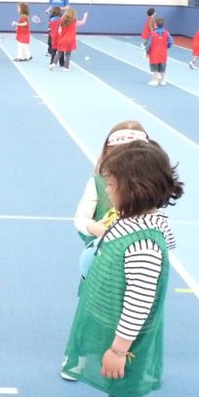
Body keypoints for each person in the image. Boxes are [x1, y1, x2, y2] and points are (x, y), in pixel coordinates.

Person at [62, 139, 183, 397]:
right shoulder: (132, 222)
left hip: (126, 344)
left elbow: (139, 303)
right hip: (115, 334)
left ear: (134, 189)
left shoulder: (144, 243)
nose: (108, 191)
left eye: (112, 185)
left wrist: (118, 350)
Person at [64, 121, 149, 382]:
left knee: (136, 307)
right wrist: (98, 228)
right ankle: (77, 358)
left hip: (135, 258)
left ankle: (131, 358)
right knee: (90, 307)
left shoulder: (150, 186)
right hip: (101, 258)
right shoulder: (98, 183)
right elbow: (79, 218)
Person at [146, 18, 173, 86]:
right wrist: (167, 46)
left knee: (154, 66)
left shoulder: (152, 33)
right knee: (162, 66)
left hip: (154, 52)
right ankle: (162, 80)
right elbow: (171, 42)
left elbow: (148, 44)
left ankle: (155, 80)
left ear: (155, 24)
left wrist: (147, 52)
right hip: (163, 52)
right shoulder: (166, 33)